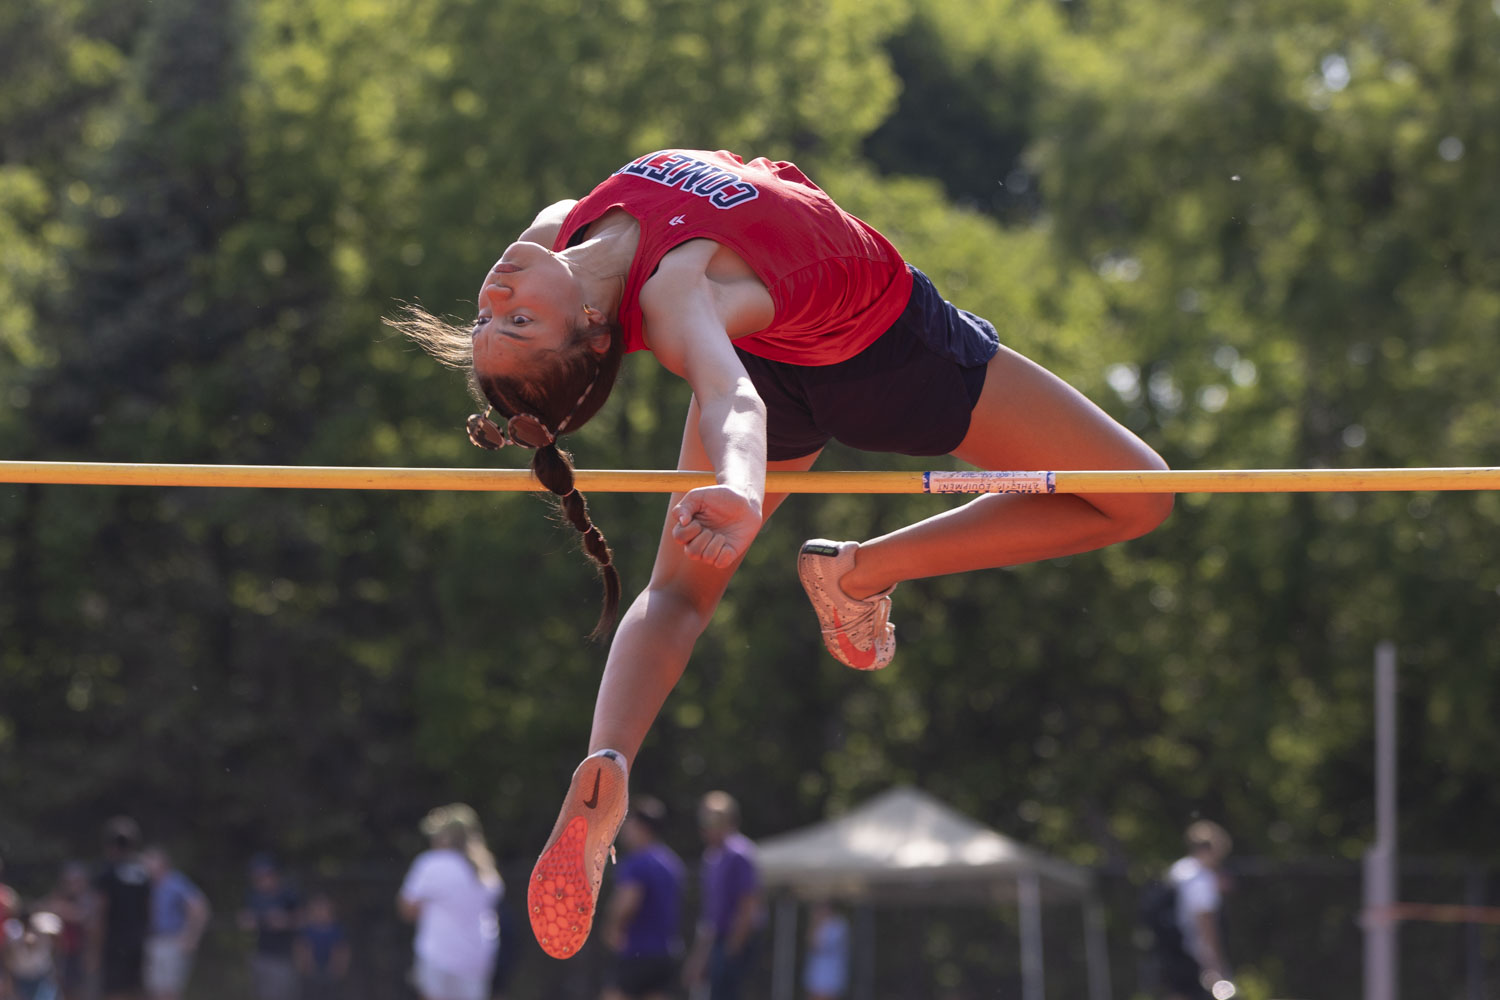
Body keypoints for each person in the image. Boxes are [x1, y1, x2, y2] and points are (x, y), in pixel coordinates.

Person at [395, 147, 1173, 959]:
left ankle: (610, 755)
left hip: (781, 354)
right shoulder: (670, 295)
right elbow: (731, 399)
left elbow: (692, 335)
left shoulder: (567, 225)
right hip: (887, 354)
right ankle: (866, 570)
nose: (492, 301)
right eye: (516, 322)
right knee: (1140, 493)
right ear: (593, 333)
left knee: (677, 597)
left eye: (491, 321)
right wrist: (738, 484)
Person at [397, 804, 504, 1000]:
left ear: (444, 837)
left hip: (439, 958)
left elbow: (407, 909)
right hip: (477, 959)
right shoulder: (486, 869)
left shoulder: (432, 864)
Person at [598, 796, 685, 1000]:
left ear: (641, 826)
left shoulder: (637, 862)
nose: (625, 829)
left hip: (638, 951)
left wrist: (612, 926)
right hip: (666, 953)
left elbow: (627, 903)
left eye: (629, 822)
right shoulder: (672, 863)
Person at [682, 792, 762, 1000]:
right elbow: (711, 916)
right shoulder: (711, 857)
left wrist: (732, 949)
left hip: (735, 942)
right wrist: (699, 957)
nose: (706, 825)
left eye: (713, 818)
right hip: (718, 942)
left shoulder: (740, 854)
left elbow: (748, 904)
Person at [1162, 821, 1233, 1000]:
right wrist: (1215, 964)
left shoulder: (1179, 869)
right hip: (1192, 955)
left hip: (1170, 948)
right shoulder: (1200, 879)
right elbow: (1205, 922)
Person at [89, 817, 151, 1000]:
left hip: (113, 943)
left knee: (113, 992)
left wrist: (93, 950)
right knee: (135, 991)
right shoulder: (143, 873)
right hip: (138, 942)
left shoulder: (107, 872)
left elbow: (100, 911)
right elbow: (149, 909)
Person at [140, 847, 209, 1000]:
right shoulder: (149, 886)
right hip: (153, 940)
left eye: (148, 862)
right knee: (153, 990)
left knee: (169, 991)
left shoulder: (175, 883)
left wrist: (191, 937)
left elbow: (199, 907)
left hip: (172, 942)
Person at [237, 854, 302, 1000]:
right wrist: (246, 921)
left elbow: (303, 919)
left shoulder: (288, 894)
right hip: (261, 954)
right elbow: (246, 917)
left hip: (283, 956)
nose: (261, 879)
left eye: (264, 875)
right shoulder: (254, 896)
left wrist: (285, 921)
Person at [41, 863, 96, 1000]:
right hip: (62, 953)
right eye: (69, 881)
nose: (72, 885)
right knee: (61, 989)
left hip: (81, 952)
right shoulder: (59, 896)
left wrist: (62, 910)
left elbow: (83, 917)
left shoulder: (88, 898)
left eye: (76, 881)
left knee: (81, 990)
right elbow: (44, 909)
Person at [294, 892, 350, 1000]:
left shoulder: (337, 930)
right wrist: (303, 964)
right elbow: (301, 947)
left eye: (323, 909)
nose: (320, 912)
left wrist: (340, 967)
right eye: (317, 909)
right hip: (311, 971)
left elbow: (342, 950)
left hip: (332, 971)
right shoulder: (307, 929)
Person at [3, 906, 65, 1000]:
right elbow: (8, 959)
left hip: (41, 975)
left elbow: (56, 940)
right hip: (20, 977)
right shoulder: (13, 934)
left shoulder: (45, 929)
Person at [801, 901, 850, 1000]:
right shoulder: (817, 924)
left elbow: (817, 945)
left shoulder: (838, 925)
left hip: (829, 978)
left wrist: (816, 923)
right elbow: (809, 943)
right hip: (816, 976)